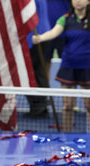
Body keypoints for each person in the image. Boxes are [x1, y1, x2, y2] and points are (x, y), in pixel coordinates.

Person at [32, 0, 90, 132]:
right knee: (67, 106)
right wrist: (41, 38)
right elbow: (54, 32)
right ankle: (67, 136)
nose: (78, 1)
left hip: (87, 68)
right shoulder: (65, 19)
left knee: (89, 106)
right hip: (68, 66)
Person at [24, 0, 51, 119]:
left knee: (31, 73)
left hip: (35, 36)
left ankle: (39, 107)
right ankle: (40, 106)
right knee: (37, 71)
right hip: (39, 34)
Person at [45, 0, 70, 79]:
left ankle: (68, 88)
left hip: (65, 32)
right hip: (45, 34)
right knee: (44, 63)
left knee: (68, 65)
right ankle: (45, 88)